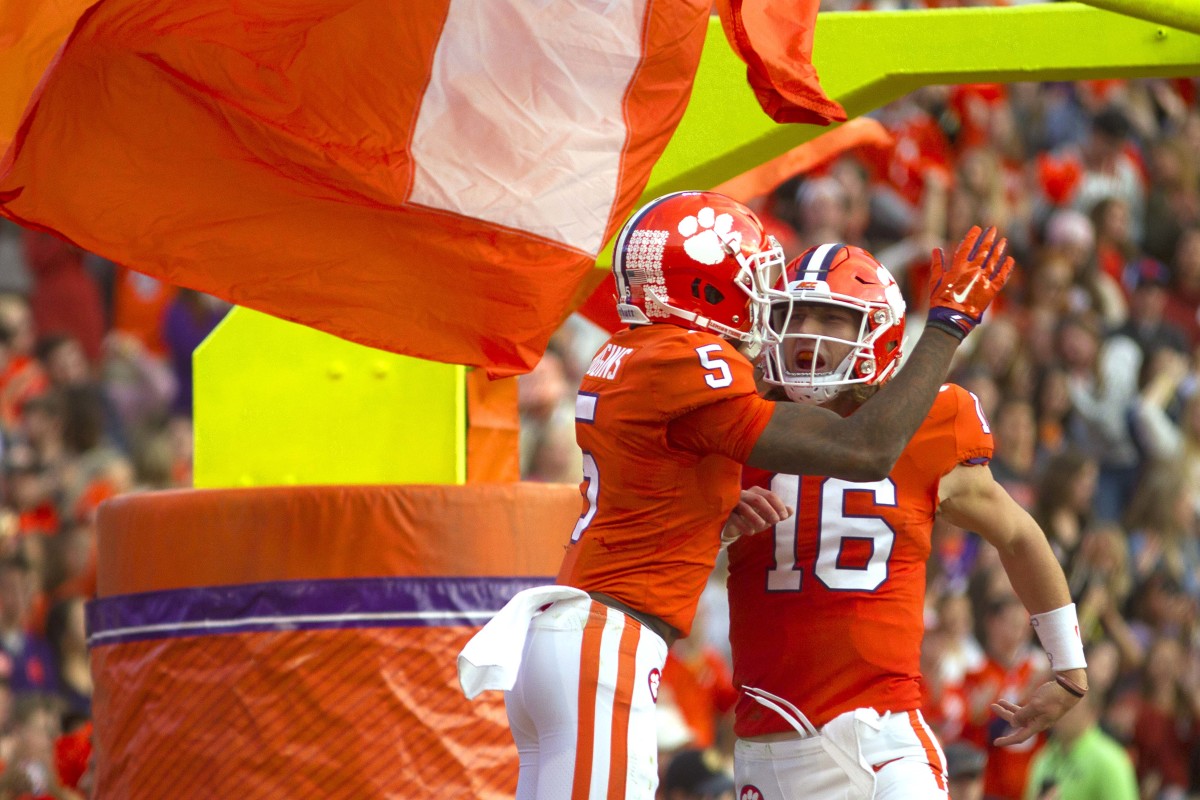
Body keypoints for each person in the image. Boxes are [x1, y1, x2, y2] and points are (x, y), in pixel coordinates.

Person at [458, 190, 1013, 800]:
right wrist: (946, 328)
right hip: (604, 643)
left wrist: (712, 513)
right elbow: (866, 450)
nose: (763, 300)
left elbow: (655, 484)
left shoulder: (632, 352)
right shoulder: (687, 360)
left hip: (572, 637)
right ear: (707, 284)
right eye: (751, 281)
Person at [722, 243, 1086, 800]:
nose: (808, 336)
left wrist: (1068, 665)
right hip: (766, 742)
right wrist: (714, 525)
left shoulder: (932, 423)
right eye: (796, 315)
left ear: (879, 334)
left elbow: (1016, 534)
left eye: (832, 318)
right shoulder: (735, 417)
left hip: (881, 736)